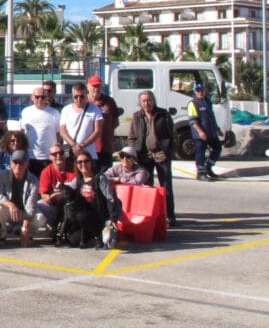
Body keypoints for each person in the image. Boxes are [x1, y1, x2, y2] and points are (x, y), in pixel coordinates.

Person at [128, 89, 176, 225]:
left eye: (149, 100)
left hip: (161, 154)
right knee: (147, 188)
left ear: (153, 101)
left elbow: (173, 135)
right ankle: (150, 217)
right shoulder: (137, 116)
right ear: (140, 102)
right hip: (144, 155)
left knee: (165, 187)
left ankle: (169, 216)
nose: (147, 103)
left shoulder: (163, 114)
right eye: (144, 101)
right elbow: (131, 137)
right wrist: (134, 150)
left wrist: (169, 151)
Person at [60, 154, 118, 249]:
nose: (83, 164)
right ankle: (90, 236)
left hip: (99, 217)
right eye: (79, 162)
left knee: (80, 216)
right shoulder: (79, 180)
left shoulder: (100, 178)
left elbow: (110, 199)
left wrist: (112, 218)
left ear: (91, 162)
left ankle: (99, 236)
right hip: (85, 219)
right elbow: (67, 190)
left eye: (86, 161)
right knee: (73, 241)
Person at [0, 150, 37, 245]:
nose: (18, 165)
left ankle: (25, 233)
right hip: (10, 211)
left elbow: (31, 207)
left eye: (21, 162)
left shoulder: (33, 179)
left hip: (24, 213)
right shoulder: (2, 175)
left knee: (40, 218)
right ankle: (2, 235)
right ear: (10, 162)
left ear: (27, 164)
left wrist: (25, 227)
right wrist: (11, 205)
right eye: (15, 162)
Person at [59, 83, 104, 168]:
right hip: (68, 148)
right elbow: (63, 131)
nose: (78, 99)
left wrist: (83, 145)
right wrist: (74, 145)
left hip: (88, 149)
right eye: (76, 96)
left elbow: (97, 131)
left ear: (86, 94)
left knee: (89, 175)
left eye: (81, 96)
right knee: (68, 173)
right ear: (72, 96)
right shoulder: (66, 109)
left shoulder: (94, 109)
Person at [20, 89, 61, 177]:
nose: (40, 99)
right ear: (32, 97)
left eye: (42, 97)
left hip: (48, 157)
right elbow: (22, 132)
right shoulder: (26, 112)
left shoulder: (55, 112)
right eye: (37, 97)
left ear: (46, 98)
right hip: (30, 156)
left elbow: (59, 134)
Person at [187, 82, 222, 181]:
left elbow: (212, 117)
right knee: (200, 153)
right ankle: (201, 173)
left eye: (202, 90)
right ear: (195, 91)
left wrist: (217, 129)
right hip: (200, 134)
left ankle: (208, 167)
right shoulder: (193, 103)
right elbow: (193, 121)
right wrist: (200, 132)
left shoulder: (207, 102)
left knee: (217, 147)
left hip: (211, 132)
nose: (200, 92)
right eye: (198, 91)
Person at [87, 75, 122, 171]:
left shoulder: (109, 101)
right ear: (88, 87)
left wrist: (105, 132)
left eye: (98, 86)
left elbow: (115, 122)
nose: (96, 89)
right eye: (94, 86)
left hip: (105, 147)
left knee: (105, 176)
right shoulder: (84, 102)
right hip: (88, 147)